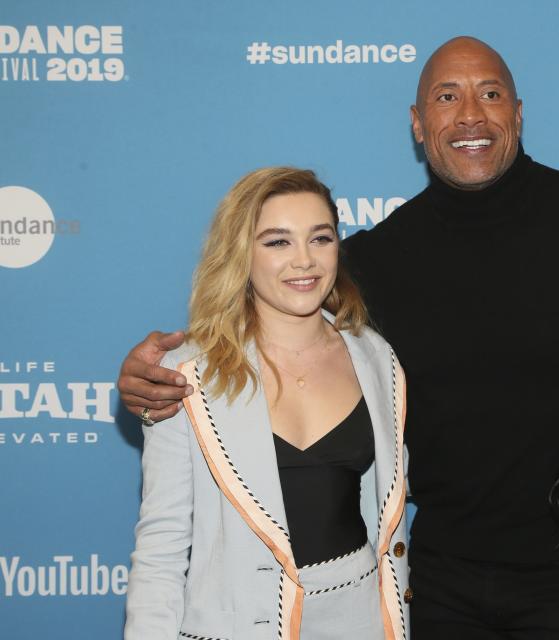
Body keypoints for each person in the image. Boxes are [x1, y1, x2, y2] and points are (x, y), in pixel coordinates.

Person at [119, 38, 559, 639]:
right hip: (440, 581)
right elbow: (264, 317)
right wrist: (164, 373)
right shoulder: (373, 261)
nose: (471, 113)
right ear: (419, 125)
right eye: (447, 97)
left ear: (518, 114)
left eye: (490, 93)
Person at [124, 168, 409, 640]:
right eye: (278, 242)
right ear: (242, 254)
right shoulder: (188, 372)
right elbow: (162, 546)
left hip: (362, 619)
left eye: (320, 238)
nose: (304, 261)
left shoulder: (375, 357)